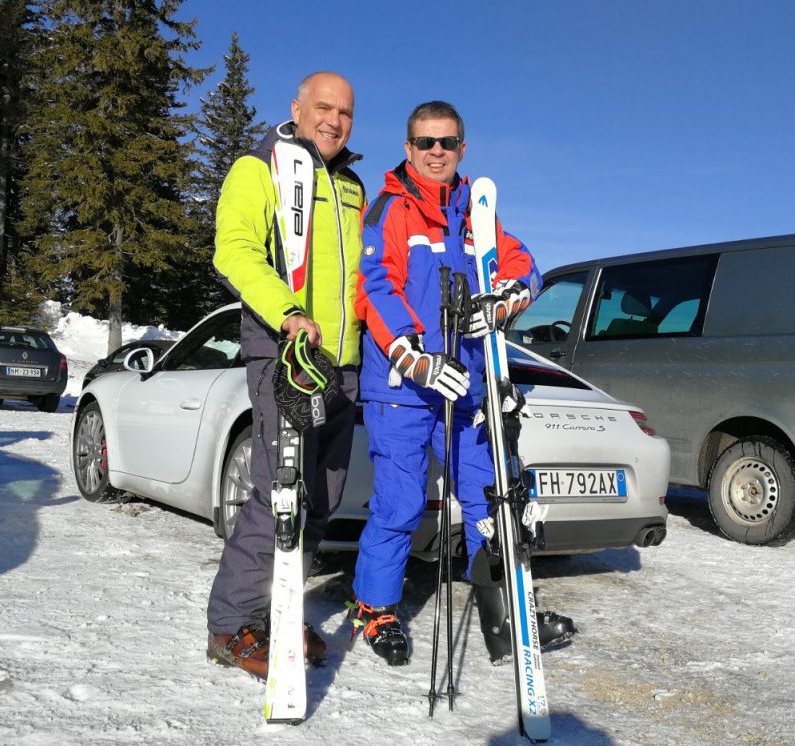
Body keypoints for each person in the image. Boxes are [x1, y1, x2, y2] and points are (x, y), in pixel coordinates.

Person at [351, 101, 575, 665]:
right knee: (400, 502)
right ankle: (375, 612)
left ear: (462, 149)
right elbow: (375, 287)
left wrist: (506, 299)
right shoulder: (389, 210)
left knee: (489, 496)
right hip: (405, 385)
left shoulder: (477, 214)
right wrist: (413, 355)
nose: (435, 153)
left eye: (446, 143)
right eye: (425, 143)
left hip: (467, 384)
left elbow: (525, 266)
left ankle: (506, 614)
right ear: (407, 148)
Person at [206, 72, 364, 679]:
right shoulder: (260, 167)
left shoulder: (350, 184)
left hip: (344, 366)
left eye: (345, 112)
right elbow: (234, 249)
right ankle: (231, 623)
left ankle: (278, 604)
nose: (333, 120)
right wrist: (288, 311)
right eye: (323, 107)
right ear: (296, 108)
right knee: (281, 496)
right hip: (288, 357)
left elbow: (356, 280)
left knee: (321, 497)